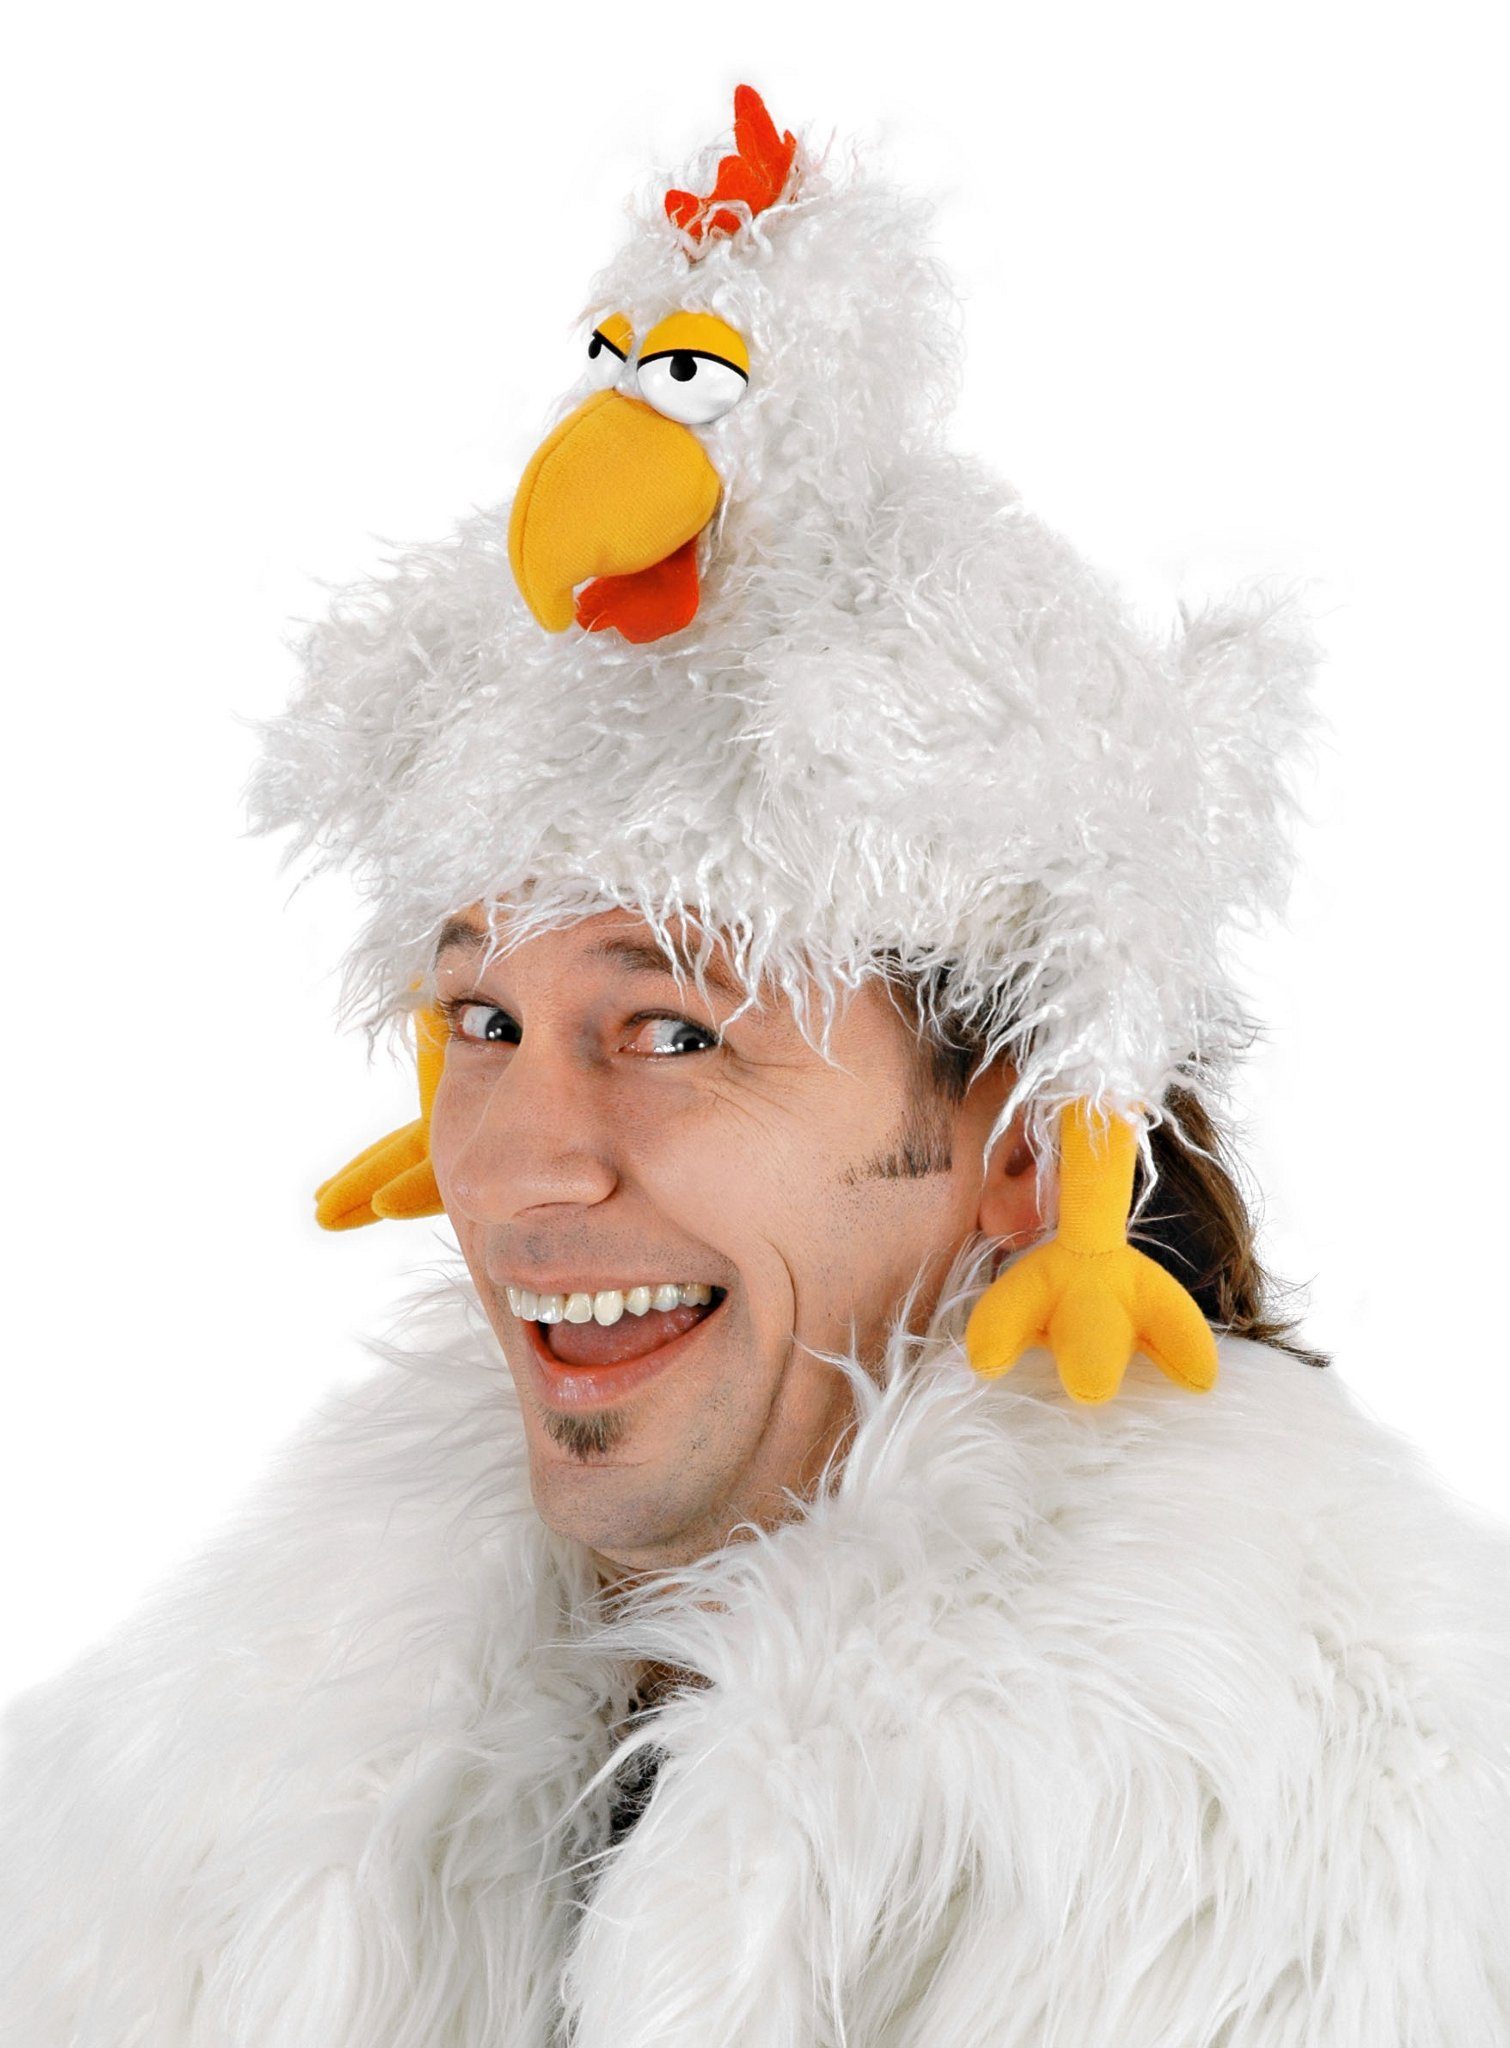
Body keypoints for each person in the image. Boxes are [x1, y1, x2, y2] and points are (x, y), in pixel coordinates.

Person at [3, 84, 1508, 2048]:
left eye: (671, 1031)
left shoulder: (1274, 1840)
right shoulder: (240, 1754)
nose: (516, 1166)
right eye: (485, 1025)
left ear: (1017, 1145)